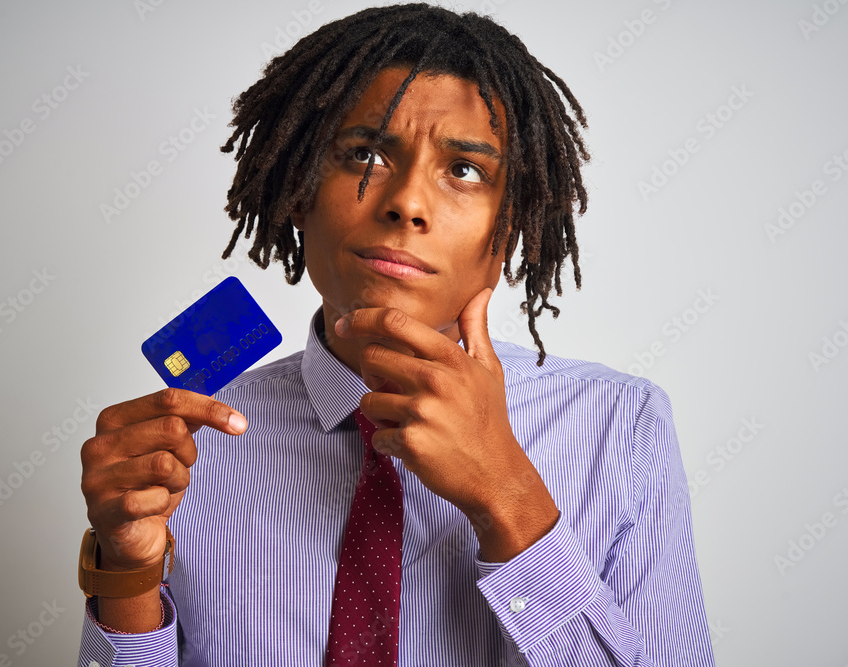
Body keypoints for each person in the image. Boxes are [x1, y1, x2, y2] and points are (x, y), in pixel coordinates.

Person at [77, 4, 716, 665]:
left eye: (464, 169)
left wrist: (506, 492)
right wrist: (128, 573)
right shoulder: (185, 449)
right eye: (365, 153)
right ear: (299, 187)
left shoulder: (623, 428)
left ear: (513, 223)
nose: (407, 201)